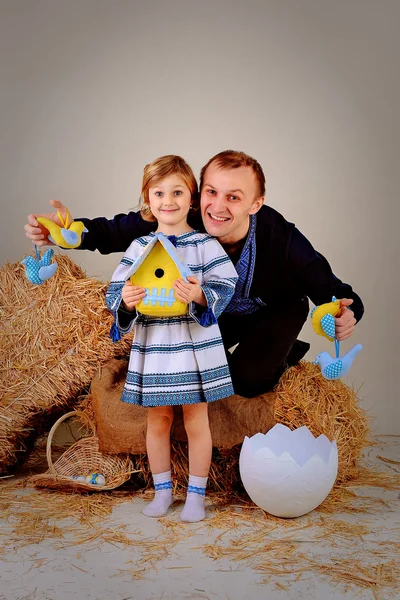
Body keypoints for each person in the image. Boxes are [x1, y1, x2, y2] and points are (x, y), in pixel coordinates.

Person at [25, 150, 364, 398]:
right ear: (200, 191)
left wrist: (346, 314)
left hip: (272, 310)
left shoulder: (284, 240)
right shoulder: (185, 212)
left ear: (256, 203)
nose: (217, 207)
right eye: (212, 192)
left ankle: (283, 352)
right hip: (210, 308)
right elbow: (118, 230)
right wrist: (69, 232)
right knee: (176, 369)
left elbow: (336, 293)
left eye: (234, 197)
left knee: (244, 381)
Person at [105, 155, 237, 521]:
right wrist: (126, 301)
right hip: (156, 347)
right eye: (159, 192)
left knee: (197, 420)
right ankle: (163, 491)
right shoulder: (139, 249)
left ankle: (196, 495)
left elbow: (226, 285)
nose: (168, 200)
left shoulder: (205, 245)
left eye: (177, 191)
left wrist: (198, 295)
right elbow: (115, 291)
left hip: (193, 346)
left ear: (191, 197)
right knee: (157, 420)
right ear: (147, 199)